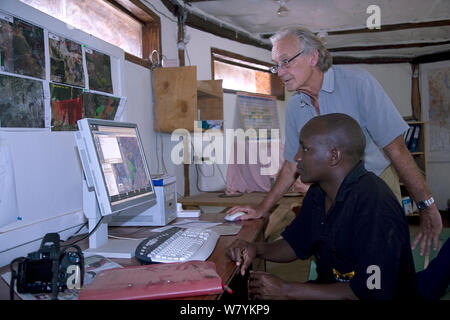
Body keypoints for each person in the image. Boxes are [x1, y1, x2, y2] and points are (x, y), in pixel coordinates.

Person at [227, 26, 442, 256]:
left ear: (313, 57)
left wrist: (426, 206)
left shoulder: (358, 83)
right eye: (276, 65)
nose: (279, 72)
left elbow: (397, 150)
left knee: (380, 260)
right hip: (328, 191)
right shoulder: (294, 107)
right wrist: (262, 208)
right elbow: (291, 164)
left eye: (286, 61)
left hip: (375, 184)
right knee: (333, 259)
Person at [227, 113, 420, 300]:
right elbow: (295, 244)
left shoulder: (375, 204)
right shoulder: (319, 193)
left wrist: (287, 290)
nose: (297, 157)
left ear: (333, 155)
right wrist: (254, 248)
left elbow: (371, 289)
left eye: (305, 149)